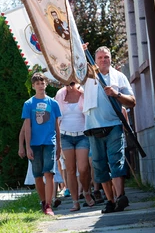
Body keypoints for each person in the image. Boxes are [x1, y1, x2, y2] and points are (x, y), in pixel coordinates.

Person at [82, 45, 136, 214]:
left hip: (114, 125)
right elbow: (71, 68)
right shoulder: (87, 75)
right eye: (100, 58)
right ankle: (110, 201)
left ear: (111, 58)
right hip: (93, 127)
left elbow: (132, 101)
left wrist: (116, 94)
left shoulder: (119, 77)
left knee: (116, 161)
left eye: (106, 57)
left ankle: (120, 197)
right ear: (95, 60)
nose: (103, 60)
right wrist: (78, 49)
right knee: (99, 166)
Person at [21, 72, 62, 216]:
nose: (40, 86)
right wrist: (27, 147)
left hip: (49, 142)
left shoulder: (53, 103)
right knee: (38, 175)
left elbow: (57, 126)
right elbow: (27, 127)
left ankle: (49, 204)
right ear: (33, 86)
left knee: (49, 173)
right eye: (37, 83)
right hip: (35, 144)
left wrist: (59, 145)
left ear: (46, 84)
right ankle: (43, 201)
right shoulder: (28, 104)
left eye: (42, 83)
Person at [55, 82, 94, 212]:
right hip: (65, 136)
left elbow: (89, 114)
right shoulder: (60, 94)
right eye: (66, 83)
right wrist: (58, 141)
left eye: (71, 83)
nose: (69, 86)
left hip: (82, 135)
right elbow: (57, 119)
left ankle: (87, 192)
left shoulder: (83, 93)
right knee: (70, 170)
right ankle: (75, 201)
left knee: (83, 168)